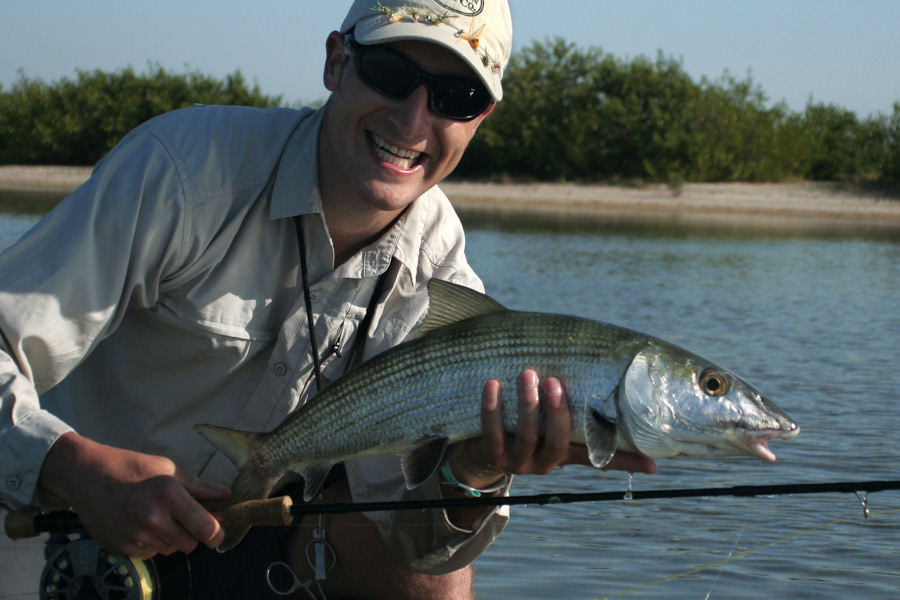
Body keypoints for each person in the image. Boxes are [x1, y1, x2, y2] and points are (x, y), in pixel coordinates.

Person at [0, 1, 655, 598]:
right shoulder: (183, 171)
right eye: (390, 72)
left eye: (455, 95)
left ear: (480, 117)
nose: (411, 119)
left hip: (265, 537)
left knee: (439, 584)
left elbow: (413, 532)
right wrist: (72, 469)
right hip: (52, 527)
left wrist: (476, 472)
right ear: (336, 62)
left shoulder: (440, 264)